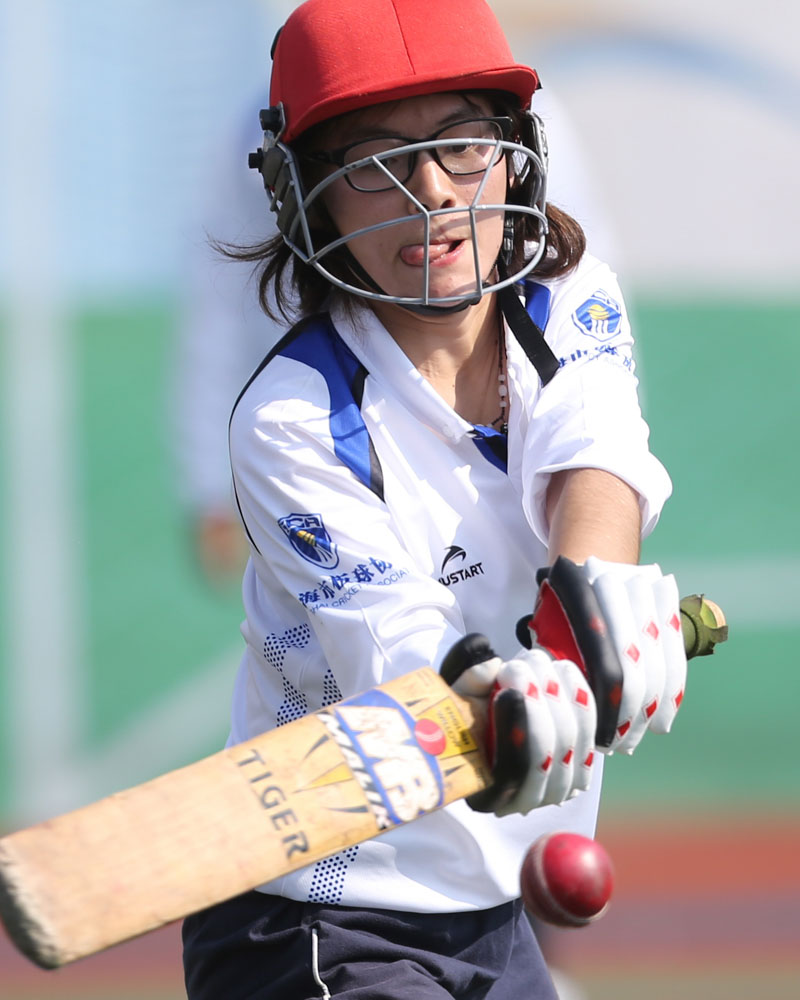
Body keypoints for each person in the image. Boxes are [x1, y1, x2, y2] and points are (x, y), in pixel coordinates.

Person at [182, 2, 687, 998]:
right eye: (374, 161)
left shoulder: (571, 293)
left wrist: (597, 609)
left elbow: (593, 454)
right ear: (309, 201)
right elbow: (393, 635)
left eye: (459, 148)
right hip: (317, 908)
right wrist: (498, 689)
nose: (429, 198)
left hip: (488, 903)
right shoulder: (290, 415)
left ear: (512, 158)